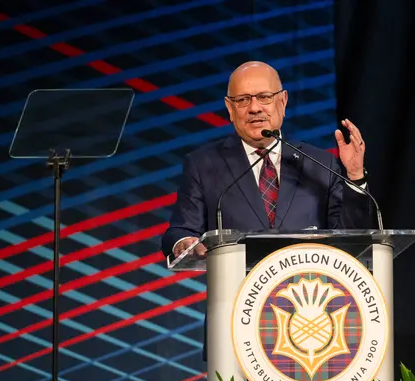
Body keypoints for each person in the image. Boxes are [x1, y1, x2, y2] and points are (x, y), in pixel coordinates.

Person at [160, 61, 373, 260]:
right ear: (230, 108)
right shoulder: (203, 165)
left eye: (264, 97)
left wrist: (354, 176)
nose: (254, 108)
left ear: (283, 101)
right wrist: (184, 242)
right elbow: (181, 230)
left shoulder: (320, 164)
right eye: (243, 100)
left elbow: (351, 240)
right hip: (236, 295)